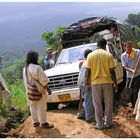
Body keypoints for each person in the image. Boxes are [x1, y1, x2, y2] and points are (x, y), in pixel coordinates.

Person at [86, 38, 117, 130]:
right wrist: (115, 83)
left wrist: (88, 82)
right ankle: (108, 123)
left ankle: (99, 124)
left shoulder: (90, 56)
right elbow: (112, 71)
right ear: (105, 45)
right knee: (108, 103)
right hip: (107, 82)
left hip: (95, 83)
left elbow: (88, 71)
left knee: (97, 104)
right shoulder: (108, 55)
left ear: (97, 45)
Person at [23, 50, 54, 128]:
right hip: (39, 90)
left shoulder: (25, 68)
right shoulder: (37, 67)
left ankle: (35, 122)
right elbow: (44, 80)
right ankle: (43, 123)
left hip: (30, 90)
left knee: (32, 106)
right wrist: (48, 89)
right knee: (42, 106)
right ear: (35, 58)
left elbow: (25, 81)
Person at [121, 41, 140, 108]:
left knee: (136, 91)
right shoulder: (123, 56)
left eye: (130, 47)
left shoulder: (137, 52)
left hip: (138, 75)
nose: (129, 48)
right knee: (129, 91)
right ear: (124, 47)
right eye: (127, 47)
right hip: (129, 76)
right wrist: (132, 70)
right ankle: (132, 103)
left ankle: (135, 106)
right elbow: (124, 67)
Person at [77, 49, 94, 123]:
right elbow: (88, 74)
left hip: (81, 84)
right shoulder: (89, 62)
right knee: (88, 100)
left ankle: (82, 113)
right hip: (86, 83)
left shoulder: (82, 62)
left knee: (86, 100)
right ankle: (89, 117)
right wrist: (89, 83)